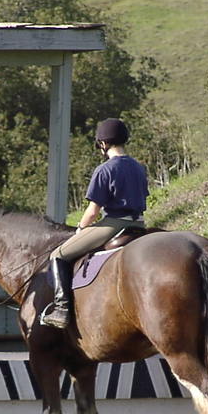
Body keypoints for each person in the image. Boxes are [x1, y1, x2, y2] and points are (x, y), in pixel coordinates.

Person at [40, 118, 149, 329]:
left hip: (114, 224)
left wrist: (80, 230)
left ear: (103, 143)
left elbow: (92, 212)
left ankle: (61, 309)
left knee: (58, 255)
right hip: (139, 224)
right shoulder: (138, 167)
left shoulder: (105, 169)